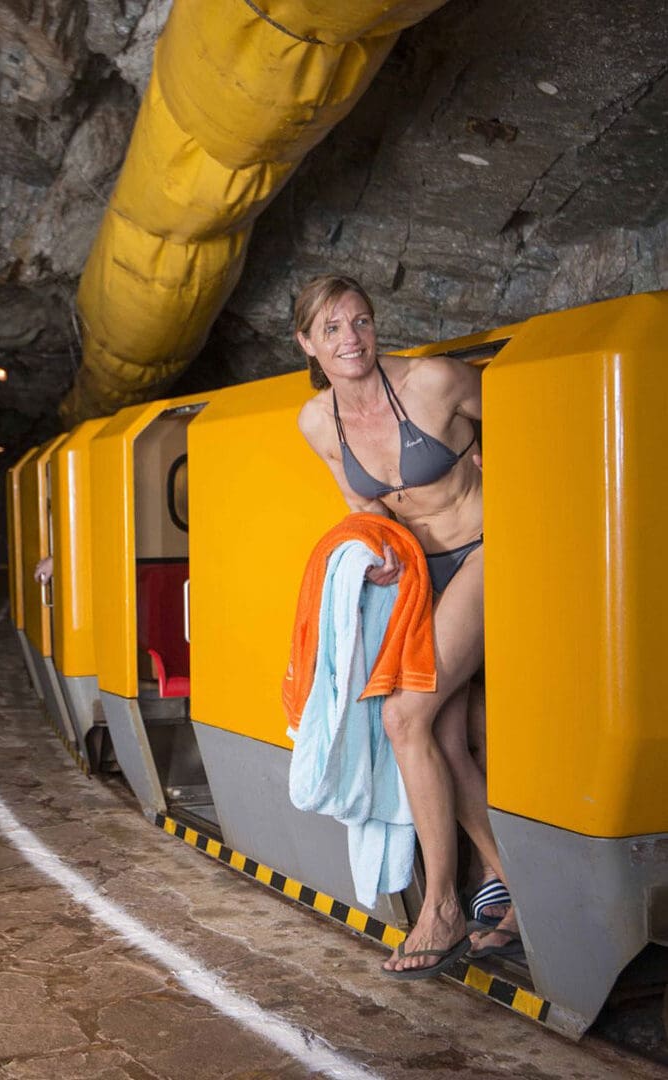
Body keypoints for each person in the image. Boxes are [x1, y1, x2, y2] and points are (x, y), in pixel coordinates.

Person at [294, 273, 520, 978]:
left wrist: (502, 458)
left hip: (487, 550)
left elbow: (532, 417)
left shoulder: (433, 383)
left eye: (359, 321)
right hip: (422, 577)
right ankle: (514, 882)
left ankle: (443, 910)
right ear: (307, 343)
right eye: (331, 329)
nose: (350, 339)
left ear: (374, 323)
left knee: (405, 718)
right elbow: (366, 507)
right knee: (447, 734)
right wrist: (373, 549)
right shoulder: (316, 422)